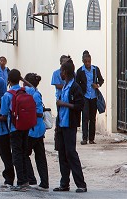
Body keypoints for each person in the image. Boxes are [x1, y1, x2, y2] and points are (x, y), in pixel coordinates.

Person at [54, 57, 87, 193]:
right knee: (62, 154)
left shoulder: (75, 87)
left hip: (70, 125)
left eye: (61, 71)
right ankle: (64, 183)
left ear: (65, 72)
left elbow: (79, 106)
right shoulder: (65, 86)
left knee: (71, 153)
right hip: (62, 124)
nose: (60, 73)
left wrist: (64, 104)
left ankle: (81, 184)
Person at [0, 69, 30, 191]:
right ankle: (25, 180)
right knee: (23, 153)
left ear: (9, 80)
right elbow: (36, 89)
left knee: (16, 154)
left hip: (14, 127)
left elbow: (4, 113)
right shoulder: (27, 91)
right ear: (20, 79)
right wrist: (23, 80)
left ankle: (21, 182)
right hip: (26, 126)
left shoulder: (7, 95)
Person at [23, 73, 49, 192]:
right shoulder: (36, 92)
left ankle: (31, 178)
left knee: (24, 154)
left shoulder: (29, 92)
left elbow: (38, 113)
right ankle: (44, 182)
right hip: (39, 129)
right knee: (40, 157)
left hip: (31, 129)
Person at [76, 51, 104, 145]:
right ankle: (84, 138)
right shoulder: (80, 71)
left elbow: (101, 80)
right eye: (86, 62)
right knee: (85, 117)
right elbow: (77, 83)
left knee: (93, 118)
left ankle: (91, 139)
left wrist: (97, 85)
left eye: (89, 61)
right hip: (85, 96)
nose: (88, 63)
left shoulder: (95, 69)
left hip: (94, 96)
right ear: (83, 61)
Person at [51, 55, 68, 151]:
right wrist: (67, 85)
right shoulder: (56, 73)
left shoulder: (72, 73)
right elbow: (58, 85)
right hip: (61, 98)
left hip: (68, 99)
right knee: (60, 118)